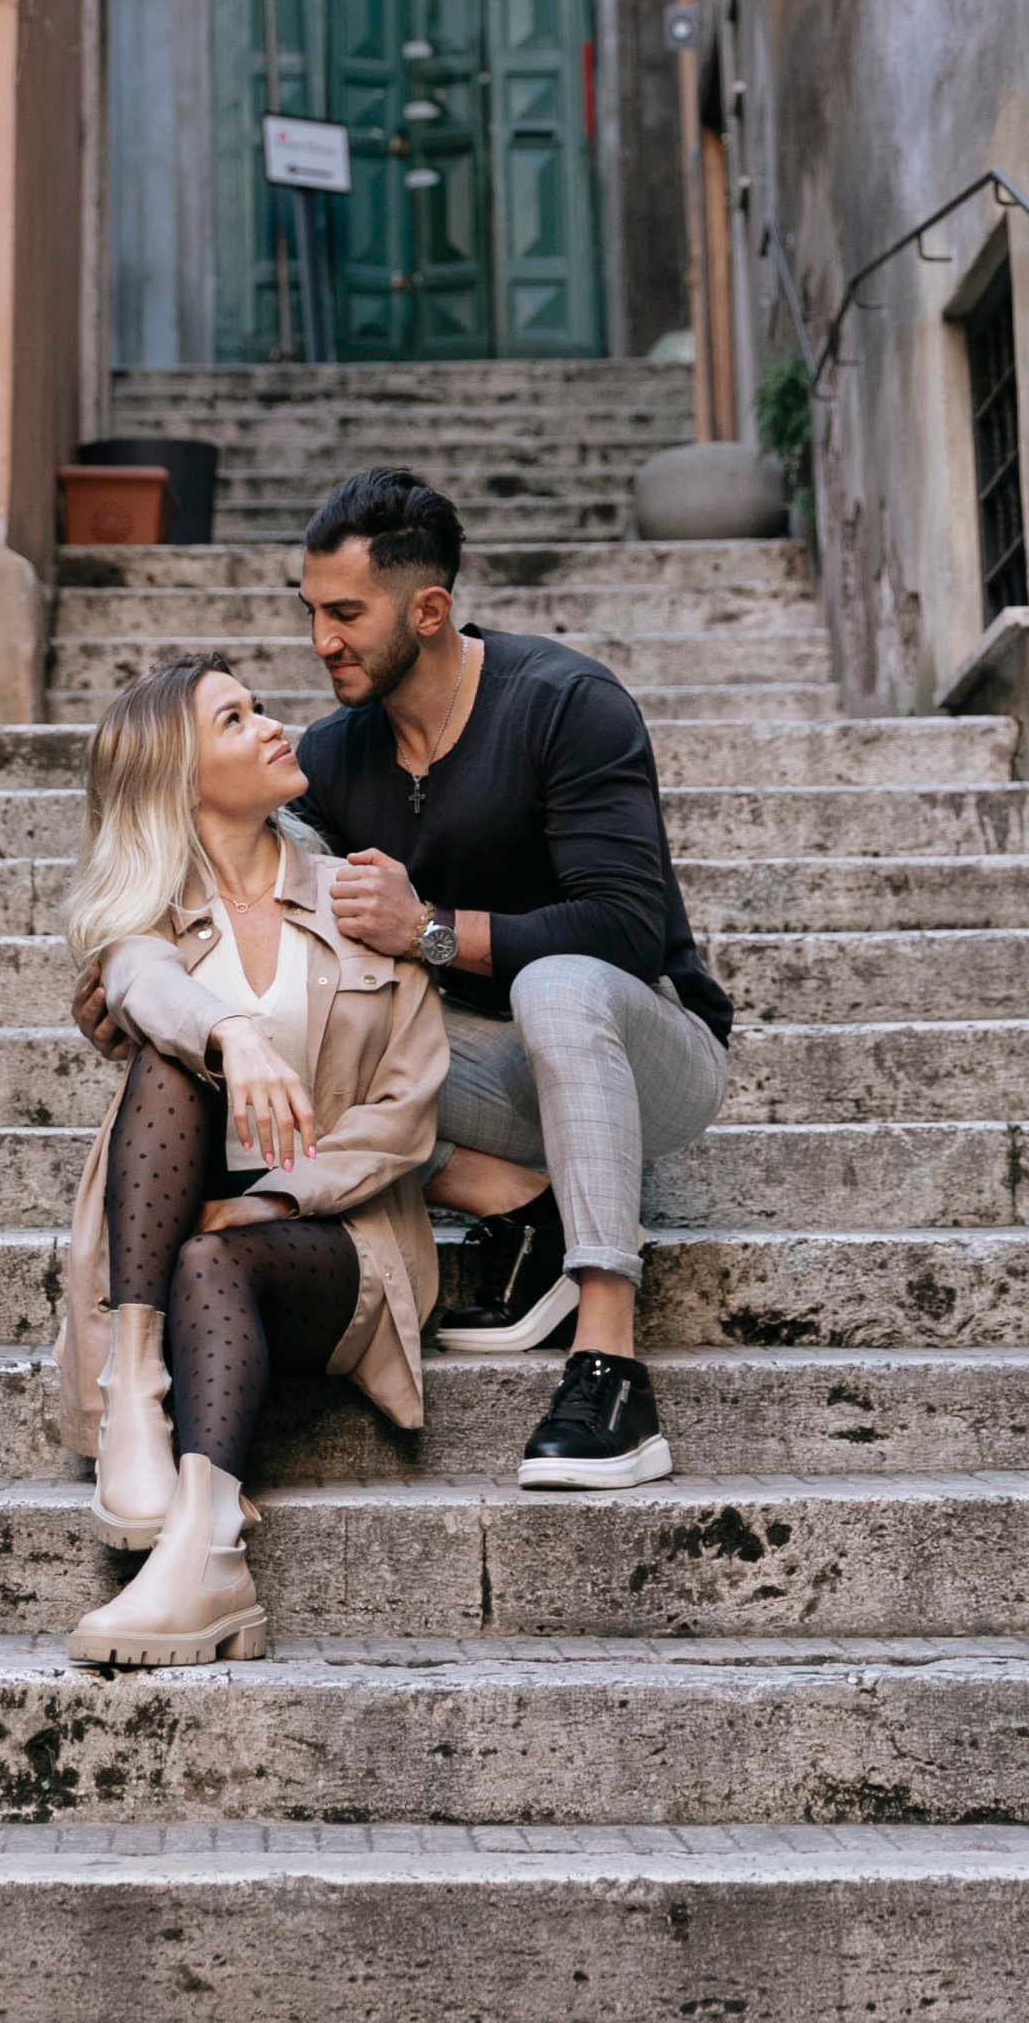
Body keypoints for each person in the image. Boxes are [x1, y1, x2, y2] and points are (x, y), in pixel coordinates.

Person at [293, 464, 733, 1489]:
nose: (322, 642)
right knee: (276, 1024)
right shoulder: (332, 755)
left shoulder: (565, 705)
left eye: (347, 613)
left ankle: (610, 1368)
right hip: (485, 1076)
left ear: (430, 608)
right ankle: (520, 1204)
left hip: (645, 1050)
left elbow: (626, 929)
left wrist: (429, 931)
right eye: (312, 611)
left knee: (560, 985)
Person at [55, 649, 448, 1670]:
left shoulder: (357, 897)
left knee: (216, 1256)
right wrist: (234, 1033)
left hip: (334, 1235)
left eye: (260, 708)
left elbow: (406, 1115)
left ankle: (194, 1541)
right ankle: (146, 1412)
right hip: (173, 1232)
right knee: (172, 1067)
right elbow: (139, 980)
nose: (275, 726)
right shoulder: (147, 926)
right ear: (182, 776)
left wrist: (277, 1196)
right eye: (236, 720)